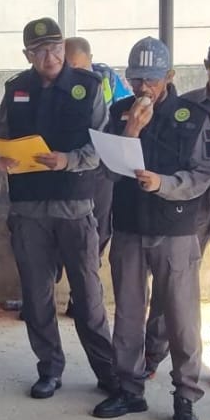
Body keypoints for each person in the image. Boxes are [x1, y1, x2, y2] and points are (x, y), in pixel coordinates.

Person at [92, 37, 210, 420]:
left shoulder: (192, 116)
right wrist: (131, 130)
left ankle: (186, 396)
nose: (144, 88)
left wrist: (164, 184)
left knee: (181, 317)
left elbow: (203, 174)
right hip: (129, 225)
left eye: (152, 80)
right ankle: (129, 388)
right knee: (128, 312)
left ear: (170, 76)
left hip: (174, 228)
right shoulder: (119, 113)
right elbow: (107, 171)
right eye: (137, 80)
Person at [0, 17, 114, 399]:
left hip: (74, 205)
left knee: (88, 297)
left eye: (57, 47)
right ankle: (49, 368)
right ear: (27, 54)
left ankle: (107, 371)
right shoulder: (16, 89)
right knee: (36, 297)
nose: (52, 56)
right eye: (42, 50)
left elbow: (102, 147)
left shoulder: (89, 87)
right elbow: (0, 135)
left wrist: (68, 160)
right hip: (28, 209)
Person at [143, 33, 210, 391]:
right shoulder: (186, 106)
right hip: (189, 204)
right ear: (207, 66)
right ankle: (153, 352)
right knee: (171, 282)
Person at [64, 37, 131, 276]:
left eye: (80, 68)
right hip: (69, 162)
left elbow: (125, 110)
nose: (76, 75)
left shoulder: (107, 79)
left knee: (101, 221)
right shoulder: (58, 82)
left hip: (102, 162)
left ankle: (91, 271)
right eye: (70, 69)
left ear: (90, 60)